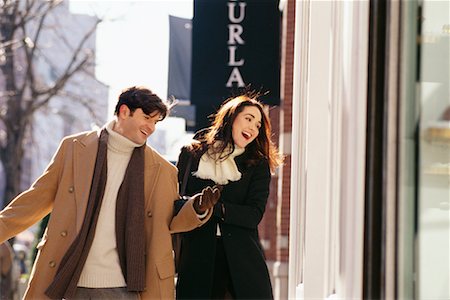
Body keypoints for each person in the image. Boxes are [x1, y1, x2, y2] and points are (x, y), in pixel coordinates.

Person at [0, 86, 220, 300]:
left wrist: (196, 208)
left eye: (155, 122)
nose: (151, 127)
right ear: (124, 111)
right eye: (147, 118)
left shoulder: (162, 170)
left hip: (125, 286)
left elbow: (169, 219)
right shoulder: (74, 148)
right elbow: (35, 199)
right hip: (69, 280)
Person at [175, 94, 283, 299]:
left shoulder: (257, 164)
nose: (253, 128)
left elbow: (254, 214)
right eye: (249, 119)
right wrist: (196, 207)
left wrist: (216, 209)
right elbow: (175, 203)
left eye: (258, 125)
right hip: (197, 261)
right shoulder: (191, 155)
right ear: (232, 117)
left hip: (243, 266)